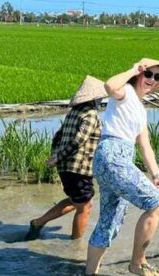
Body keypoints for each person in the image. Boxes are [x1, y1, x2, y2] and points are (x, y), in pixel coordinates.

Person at [85, 58, 159, 276]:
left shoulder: (141, 109)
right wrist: (133, 69)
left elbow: (145, 145)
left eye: (157, 77)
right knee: (156, 204)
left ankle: (89, 273)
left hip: (118, 159)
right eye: (148, 75)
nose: (152, 80)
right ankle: (137, 263)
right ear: (139, 75)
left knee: (109, 222)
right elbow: (109, 86)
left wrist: (156, 175)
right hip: (112, 155)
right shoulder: (125, 91)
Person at [26, 75, 106, 241]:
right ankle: (75, 246)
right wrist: (58, 157)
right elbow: (78, 141)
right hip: (79, 168)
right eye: (100, 98)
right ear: (94, 98)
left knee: (75, 200)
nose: (102, 101)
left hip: (66, 168)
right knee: (85, 206)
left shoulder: (73, 113)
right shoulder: (90, 115)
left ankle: (38, 223)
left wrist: (56, 156)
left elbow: (57, 136)